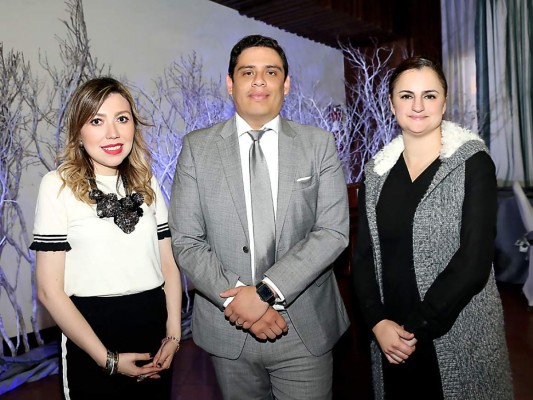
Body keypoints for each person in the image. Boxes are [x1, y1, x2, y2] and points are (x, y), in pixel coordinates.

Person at [169, 34, 350, 399]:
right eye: (247, 71)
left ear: (286, 84)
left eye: (271, 72)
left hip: (304, 327)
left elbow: (332, 231)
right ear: (230, 83)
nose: (259, 80)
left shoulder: (318, 144)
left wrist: (266, 292)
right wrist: (239, 302)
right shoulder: (196, 148)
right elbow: (186, 240)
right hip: (229, 329)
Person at [352, 56, 513, 399]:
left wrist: (415, 327)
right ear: (393, 103)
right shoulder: (376, 173)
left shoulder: (473, 164)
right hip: (389, 335)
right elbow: (364, 256)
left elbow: (474, 260)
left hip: (455, 330)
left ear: (444, 100)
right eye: (407, 95)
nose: (418, 106)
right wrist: (378, 322)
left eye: (429, 95)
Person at [31, 77, 182, 400]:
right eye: (97, 121)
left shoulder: (148, 182)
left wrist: (173, 335)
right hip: (91, 335)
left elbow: (168, 266)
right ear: (79, 132)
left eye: (122, 119)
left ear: (133, 127)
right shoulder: (57, 186)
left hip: (153, 330)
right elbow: (48, 290)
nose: (112, 133)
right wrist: (107, 360)